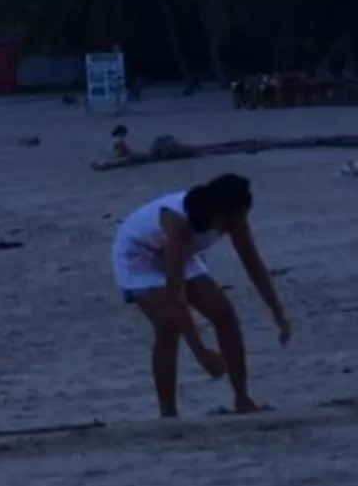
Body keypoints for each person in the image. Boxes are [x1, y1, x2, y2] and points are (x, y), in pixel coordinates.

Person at [111, 173, 291, 417]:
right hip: (139, 253)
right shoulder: (180, 223)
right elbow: (176, 295)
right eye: (230, 221)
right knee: (168, 325)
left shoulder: (234, 218)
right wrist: (202, 353)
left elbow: (253, 264)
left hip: (181, 253)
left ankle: (242, 398)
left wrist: (277, 313)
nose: (234, 227)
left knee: (224, 313)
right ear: (216, 211)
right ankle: (168, 412)